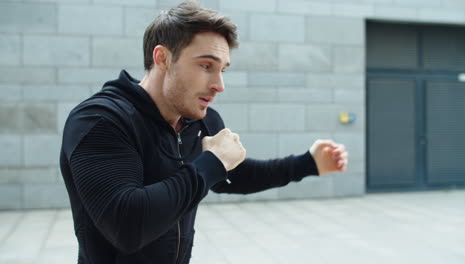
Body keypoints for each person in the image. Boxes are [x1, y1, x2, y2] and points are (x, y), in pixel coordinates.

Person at [59, 1, 348, 263]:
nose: (219, 84)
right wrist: (211, 164)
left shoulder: (200, 119)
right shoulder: (101, 121)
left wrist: (306, 164)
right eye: (206, 65)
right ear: (162, 58)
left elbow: (234, 174)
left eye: (223, 69)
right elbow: (127, 226)